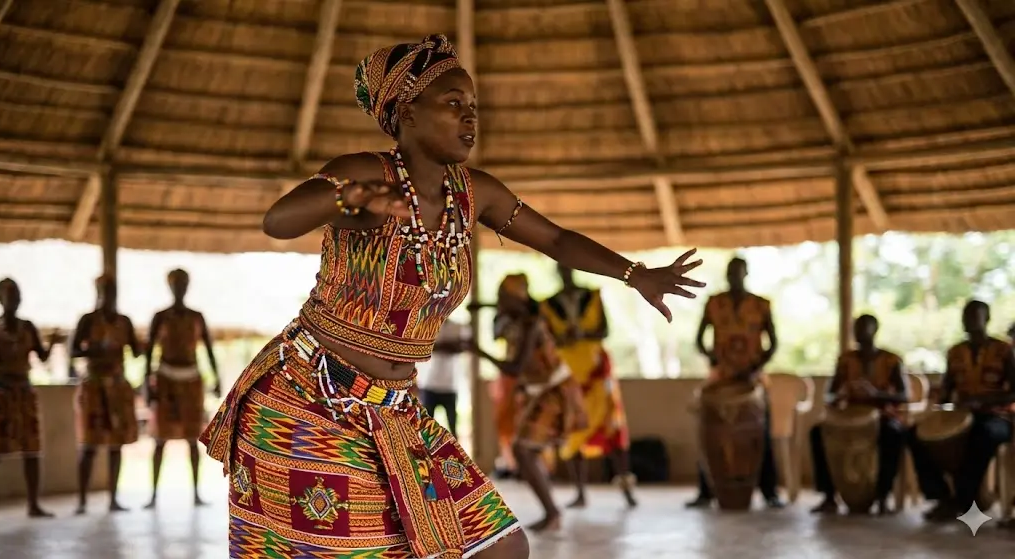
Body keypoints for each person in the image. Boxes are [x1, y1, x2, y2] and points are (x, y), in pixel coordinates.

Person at [198, 34, 704, 558]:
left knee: (502, 548)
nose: (470, 118)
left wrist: (634, 273)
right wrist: (356, 195)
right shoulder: (369, 172)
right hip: (307, 401)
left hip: (394, 410)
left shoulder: (474, 193)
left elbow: (554, 239)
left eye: (473, 107)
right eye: (453, 103)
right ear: (408, 113)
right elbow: (277, 221)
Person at [475, 275, 587, 531]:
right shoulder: (516, 321)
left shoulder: (532, 324)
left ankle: (552, 513)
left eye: (503, 297)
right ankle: (552, 511)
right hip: (541, 390)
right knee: (527, 450)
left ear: (516, 299)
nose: (499, 302)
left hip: (554, 390)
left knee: (523, 449)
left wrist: (476, 350)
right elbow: (499, 321)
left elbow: (514, 368)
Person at [687, 257, 783, 509]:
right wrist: (714, 360)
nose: (734, 277)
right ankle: (705, 491)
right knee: (708, 431)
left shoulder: (761, 305)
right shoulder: (714, 303)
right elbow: (699, 339)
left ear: (746, 274)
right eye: (730, 272)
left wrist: (756, 366)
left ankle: (769, 491)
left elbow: (773, 342)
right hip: (722, 377)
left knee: (761, 433)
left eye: (738, 272)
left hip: (752, 377)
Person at [908, 300, 1015, 522]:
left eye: (975, 315)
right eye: (966, 316)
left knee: (982, 435)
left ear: (986, 319)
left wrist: (984, 399)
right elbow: (947, 392)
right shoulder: (955, 352)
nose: (969, 320)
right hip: (962, 415)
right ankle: (941, 496)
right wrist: (940, 395)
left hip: (997, 417)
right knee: (914, 434)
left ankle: (963, 500)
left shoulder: (1004, 350)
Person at [540, 264, 636, 509]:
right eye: (561, 269)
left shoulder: (593, 296)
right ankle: (580, 493)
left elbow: (605, 330)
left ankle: (627, 492)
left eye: (567, 268)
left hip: (595, 372)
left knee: (612, 429)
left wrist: (582, 335)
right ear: (557, 273)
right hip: (568, 374)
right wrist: (564, 339)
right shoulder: (548, 305)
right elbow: (546, 338)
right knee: (573, 432)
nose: (565, 272)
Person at [809, 314, 910, 515]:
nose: (859, 333)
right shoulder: (846, 359)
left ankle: (883, 496)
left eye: (864, 328)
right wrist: (840, 394)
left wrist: (876, 394)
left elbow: (905, 395)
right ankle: (828, 496)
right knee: (816, 432)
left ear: (875, 330)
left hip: (882, 416)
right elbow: (829, 394)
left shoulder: (892, 360)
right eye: (856, 328)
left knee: (894, 434)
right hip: (848, 417)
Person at [143, 269, 222, 508]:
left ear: (188, 287)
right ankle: (154, 495)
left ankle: (196, 493)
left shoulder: (197, 317)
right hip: (165, 380)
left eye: (183, 284)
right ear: (170, 287)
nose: (180, 288)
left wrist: (217, 377)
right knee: (160, 439)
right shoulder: (160, 317)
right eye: (176, 284)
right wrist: (148, 384)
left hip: (191, 381)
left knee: (191, 438)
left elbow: (208, 347)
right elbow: (148, 352)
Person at [70, 274, 140, 514]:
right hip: (93, 387)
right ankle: (82, 500)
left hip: (117, 387)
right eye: (104, 290)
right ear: (97, 292)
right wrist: (95, 351)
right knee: (88, 445)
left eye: (112, 291)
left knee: (115, 445)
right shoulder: (87, 321)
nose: (108, 295)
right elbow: (73, 350)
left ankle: (113, 498)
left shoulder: (124, 321)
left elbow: (137, 350)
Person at [0, 278, 58, 517]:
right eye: (9, 295)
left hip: (25, 392)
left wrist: (51, 345)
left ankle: (33, 504)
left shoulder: (28, 327)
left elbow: (41, 356)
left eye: (16, 295)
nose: (13, 300)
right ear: (0, 299)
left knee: (31, 450)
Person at [417, 318, 467, 434]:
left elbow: (464, 346)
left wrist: (437, 346)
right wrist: (447, 346)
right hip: (428, 384)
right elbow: (420, 347)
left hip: (450, 385)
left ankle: (454, 452)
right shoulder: (426, 326)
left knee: (453, 427)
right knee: (425, 428)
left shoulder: (458, 327)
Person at [490, 311, 520, 479]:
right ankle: (512, 464)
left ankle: (519, 465)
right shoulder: (504, 318)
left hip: (523, 379)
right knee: (505, 424)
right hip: (508, 378)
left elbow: (516, 366)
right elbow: (496, 335)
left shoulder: (530, 323)